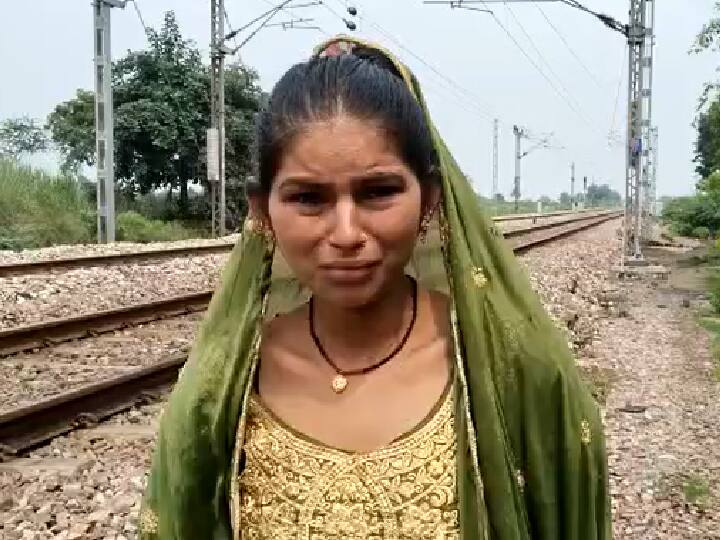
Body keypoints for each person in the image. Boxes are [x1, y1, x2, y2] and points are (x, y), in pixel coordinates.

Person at [139, 36, 610, 539]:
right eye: (308, 198)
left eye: (379, 192)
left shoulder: (517, 369)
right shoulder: (222, 389)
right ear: (262, 210)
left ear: (428, 198)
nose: (346, 234)